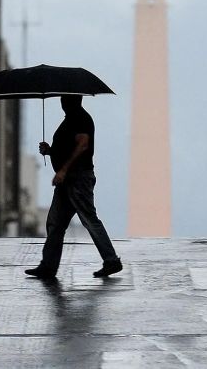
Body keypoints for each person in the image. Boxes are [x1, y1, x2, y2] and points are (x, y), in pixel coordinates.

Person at [25, 95, 122, 279]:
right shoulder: (70, 120)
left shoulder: (81, 118)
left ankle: (111, 260)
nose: (62, 102)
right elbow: (68, 147)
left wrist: (63, 170)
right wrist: (50, 150)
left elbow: (82, 145)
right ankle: (48, 266)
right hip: (68, 181)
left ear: (73, 100)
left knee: (89, 219)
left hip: (77, 179)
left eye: (65, 99)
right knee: (55, 222)